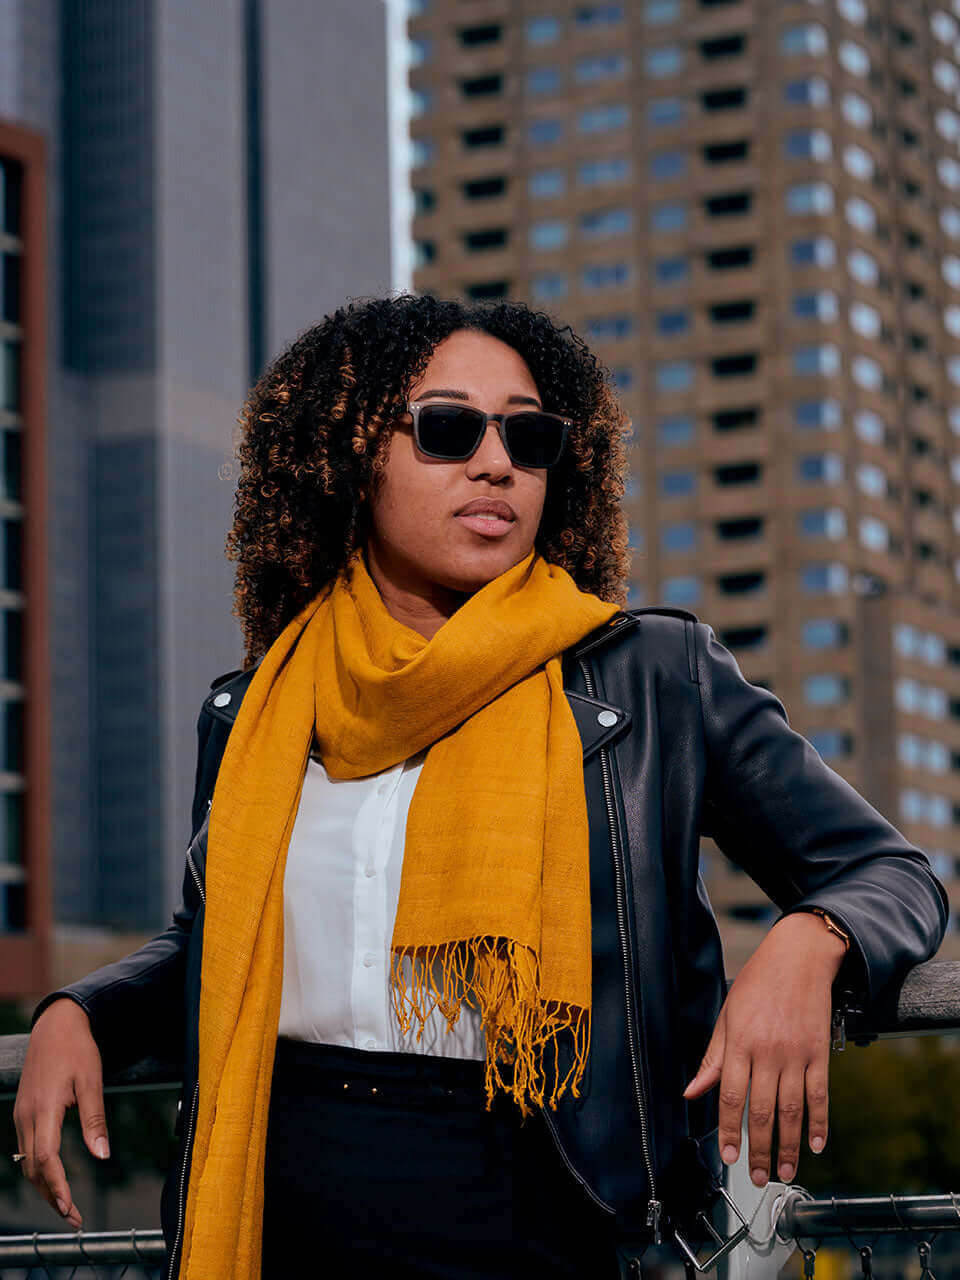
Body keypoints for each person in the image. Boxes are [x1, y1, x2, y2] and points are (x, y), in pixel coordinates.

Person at [14, 294, 948, 1280]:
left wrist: (810, 941)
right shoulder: (256, 708)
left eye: (528, 436)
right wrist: (82, 1010)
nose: (497, 462)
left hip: (544, 1223)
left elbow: (890, 872)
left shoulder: (655, 677)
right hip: (283, 1221)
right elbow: (218, 942)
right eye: (448, 428)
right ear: (350, 455)